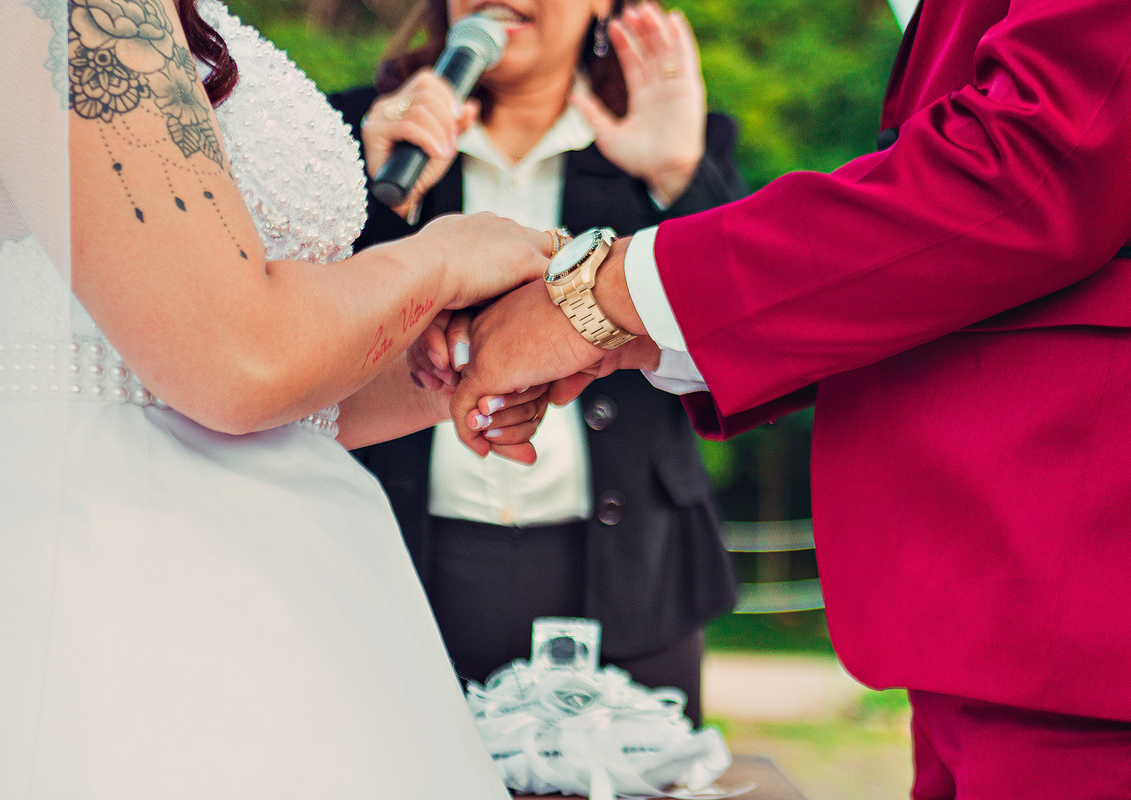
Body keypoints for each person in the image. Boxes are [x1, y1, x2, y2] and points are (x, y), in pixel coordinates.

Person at [440, 0, 1131, 796]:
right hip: (1005, 612)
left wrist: (605, 297)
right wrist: (624, 324)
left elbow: (1043, 159)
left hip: (1074, 606)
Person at [0, 0, 555, 796]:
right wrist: (440, 260)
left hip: (272, 574)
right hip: (118, 576)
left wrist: (456, 362)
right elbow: (236, 362)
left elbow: (255, 384)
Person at [328, 0, 742, 721]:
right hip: (400, 567)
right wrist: (378, 187)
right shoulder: (360, 129)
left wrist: (680, 176)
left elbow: (742, 339)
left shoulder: (672, 134)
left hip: (633, 577)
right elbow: (307, 331)